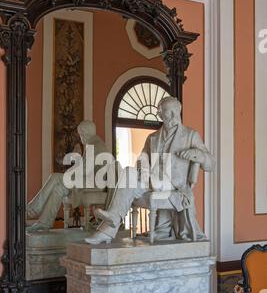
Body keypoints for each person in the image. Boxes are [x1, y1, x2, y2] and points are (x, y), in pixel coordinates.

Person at [85, 96, 215, 244]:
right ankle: (110, 225)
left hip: (174, 186)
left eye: (175, 111)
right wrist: (144, 168)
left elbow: (211, 164)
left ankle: (107, 226)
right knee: (128, 171)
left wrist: (199, 156)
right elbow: (141, 159)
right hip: (152, 180)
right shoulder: (152, 137)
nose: (172, 115)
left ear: (179, 110)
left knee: (133, 177)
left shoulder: (190, 135)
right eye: (167, 112)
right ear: (160, 115)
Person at [27, 120, 109, 231]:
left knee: (55, 177)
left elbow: (85, 170)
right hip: (91, 180)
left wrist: (68, 175)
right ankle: (45, 222)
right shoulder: (96, 143)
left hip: (95, 182)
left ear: (85, 133)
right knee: (59, 189)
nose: (80, 137)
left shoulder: (93, 144)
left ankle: (33, 209)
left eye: (80, 134)